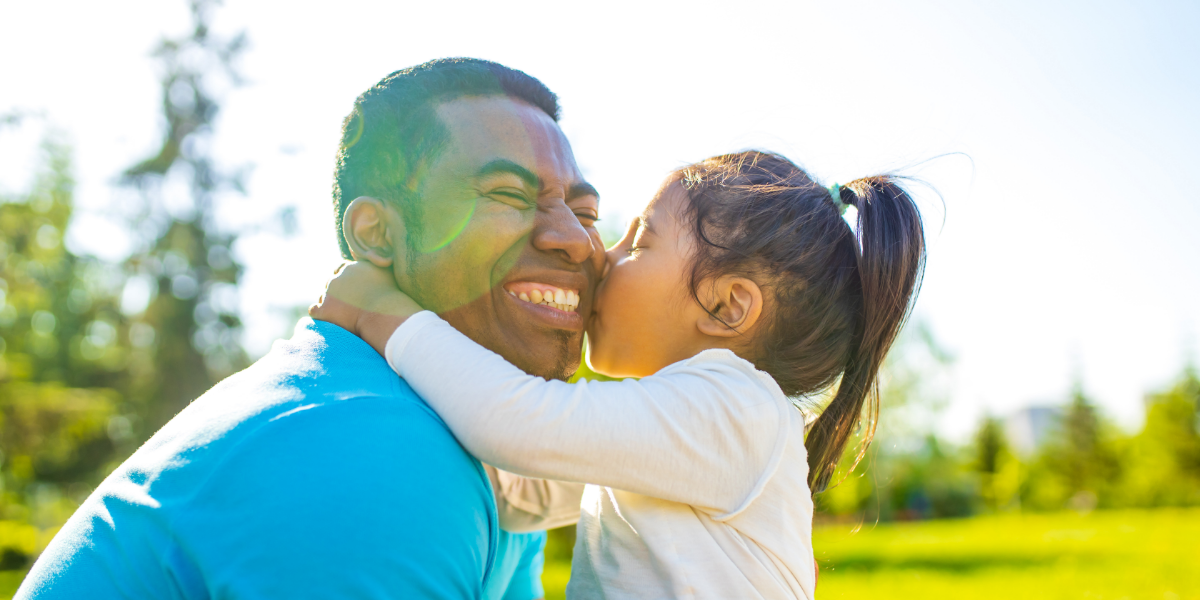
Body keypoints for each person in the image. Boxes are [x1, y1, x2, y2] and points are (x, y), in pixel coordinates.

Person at [16, 58, 603, 600]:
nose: (574, 239)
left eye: (584, 213)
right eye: (508, 194)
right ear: (376, 234)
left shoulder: (493, 450)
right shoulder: (374, 447)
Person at [311, 151, 928, 599]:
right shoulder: (677, 434)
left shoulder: (740, 410)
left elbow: (519, 425)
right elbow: (522, 494)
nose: (603, 255)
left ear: (726, 306)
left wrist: (384, 313)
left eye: (640, 243)